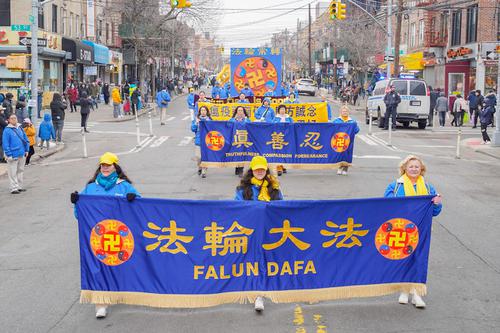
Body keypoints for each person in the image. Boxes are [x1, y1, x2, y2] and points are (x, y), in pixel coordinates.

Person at [70, 152, 140, 319]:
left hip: (121, 237)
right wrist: (76, 203)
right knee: (98, 268)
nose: (105, 168)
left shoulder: (124, 186)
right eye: (103, 165)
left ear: (115, 166)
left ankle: (122, 291)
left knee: (119, 265)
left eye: (108, 165)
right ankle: (100, 304)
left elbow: (140, 209)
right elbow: (80, 214)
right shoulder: (91, 187)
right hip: (98, 237)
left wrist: (134, 199)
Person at [384, 155, 442, 309]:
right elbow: (387, 206)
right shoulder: (395, 186)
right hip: (400, 229)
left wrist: (437, 203)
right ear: (405, 168)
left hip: (422, 230)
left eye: (417, 166)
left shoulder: (429, 189)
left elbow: (435, 212)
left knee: (419, 259)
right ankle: (404, 290)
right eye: (411, 166)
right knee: (403, 259)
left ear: (421, 169)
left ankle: (416, 293)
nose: (414, 169)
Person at [235, 155, 283, 312]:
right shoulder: (243, 189)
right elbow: (236, 209)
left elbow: (283, 208)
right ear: (252, 171)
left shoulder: (274, 188)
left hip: (270, 232)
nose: (260, 172)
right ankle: (257, 294)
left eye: (262, 169)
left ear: (266, 170)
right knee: (255, 262)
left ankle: (261, 294)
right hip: (251, 232)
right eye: (257, 169)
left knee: (265, 262)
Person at [2, 114, 29, 194]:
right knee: (12, 172)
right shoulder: (7, 130)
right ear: (9, 120)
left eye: (15, 118)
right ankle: (14, 188)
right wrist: (8, 154)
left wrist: (27, 149)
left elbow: (25, 139)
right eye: (12, 118)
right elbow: (5, 144)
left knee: (20, 170)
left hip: (22, 153)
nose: (14, 119)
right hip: (13, 154)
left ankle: (19, 186)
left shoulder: (20, 127)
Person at [333, 106, 359, 175]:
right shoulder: (336, 121)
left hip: (348, 141)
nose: (345, 113)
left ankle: (345, 168)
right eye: (343, 111)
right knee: (339, 154)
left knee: (347, 154)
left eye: (346, 111)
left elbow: (356, 131)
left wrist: (355, 126)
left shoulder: (352, 121)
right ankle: (339, 167)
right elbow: (332, 130)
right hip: (339, 140)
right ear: (340, 112)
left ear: (348, 112)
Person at [230, 105, 251, 177]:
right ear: (236, 112)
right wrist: (235, 119)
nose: (240, 112)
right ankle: (237, 167)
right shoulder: (233, 119)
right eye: (238, 110)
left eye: (241, 110)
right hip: (235, 139)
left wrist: (245, 119)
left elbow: (250, 126)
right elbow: (228, 125)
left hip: (244, 139)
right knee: (236, 153)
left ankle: (241, 170)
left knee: (242, 154)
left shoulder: (247, 119)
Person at [191, 105, 211, 178]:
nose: (203, 112)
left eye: (204, 110)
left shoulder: (210, 120)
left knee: (205, 157)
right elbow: (193, 129)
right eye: (202, 110)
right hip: (199, 140)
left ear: (207, 112)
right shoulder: (196, 120)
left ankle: (204, 171)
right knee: (198, 157)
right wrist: (196, 123)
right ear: (199, 112)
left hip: (207, 141)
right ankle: (199, 167)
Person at [273, 104, 293, 176]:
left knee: (286, 152)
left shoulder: (289, 117)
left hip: (287, 136)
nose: (282, 111)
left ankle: (284, 166)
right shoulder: (276, 118)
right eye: (281, 109)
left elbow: (293, 125)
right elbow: (273, 125)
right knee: (278, 152)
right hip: (278, 137)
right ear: (279, 110)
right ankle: (279, 168)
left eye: (283, 109)